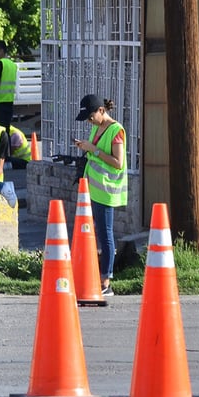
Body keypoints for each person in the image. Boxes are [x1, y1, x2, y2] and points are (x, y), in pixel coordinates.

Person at [73, 94, 127, 297]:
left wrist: (93, 150)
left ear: (101, 111)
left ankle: (106, 280)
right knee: (96, 234)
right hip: (94, 188)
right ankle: (98, 276)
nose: (89, 121)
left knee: (105, 235)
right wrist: (86, 148)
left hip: (106, 189)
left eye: (90, 117)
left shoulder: (116, 130)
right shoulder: (98, 127)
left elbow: (118, 162)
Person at [0, 40, 17, 134]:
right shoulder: (12, 65)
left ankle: (1, 149)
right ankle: (8, 149)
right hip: (9, 102)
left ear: (1, 51)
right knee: (6, 130)